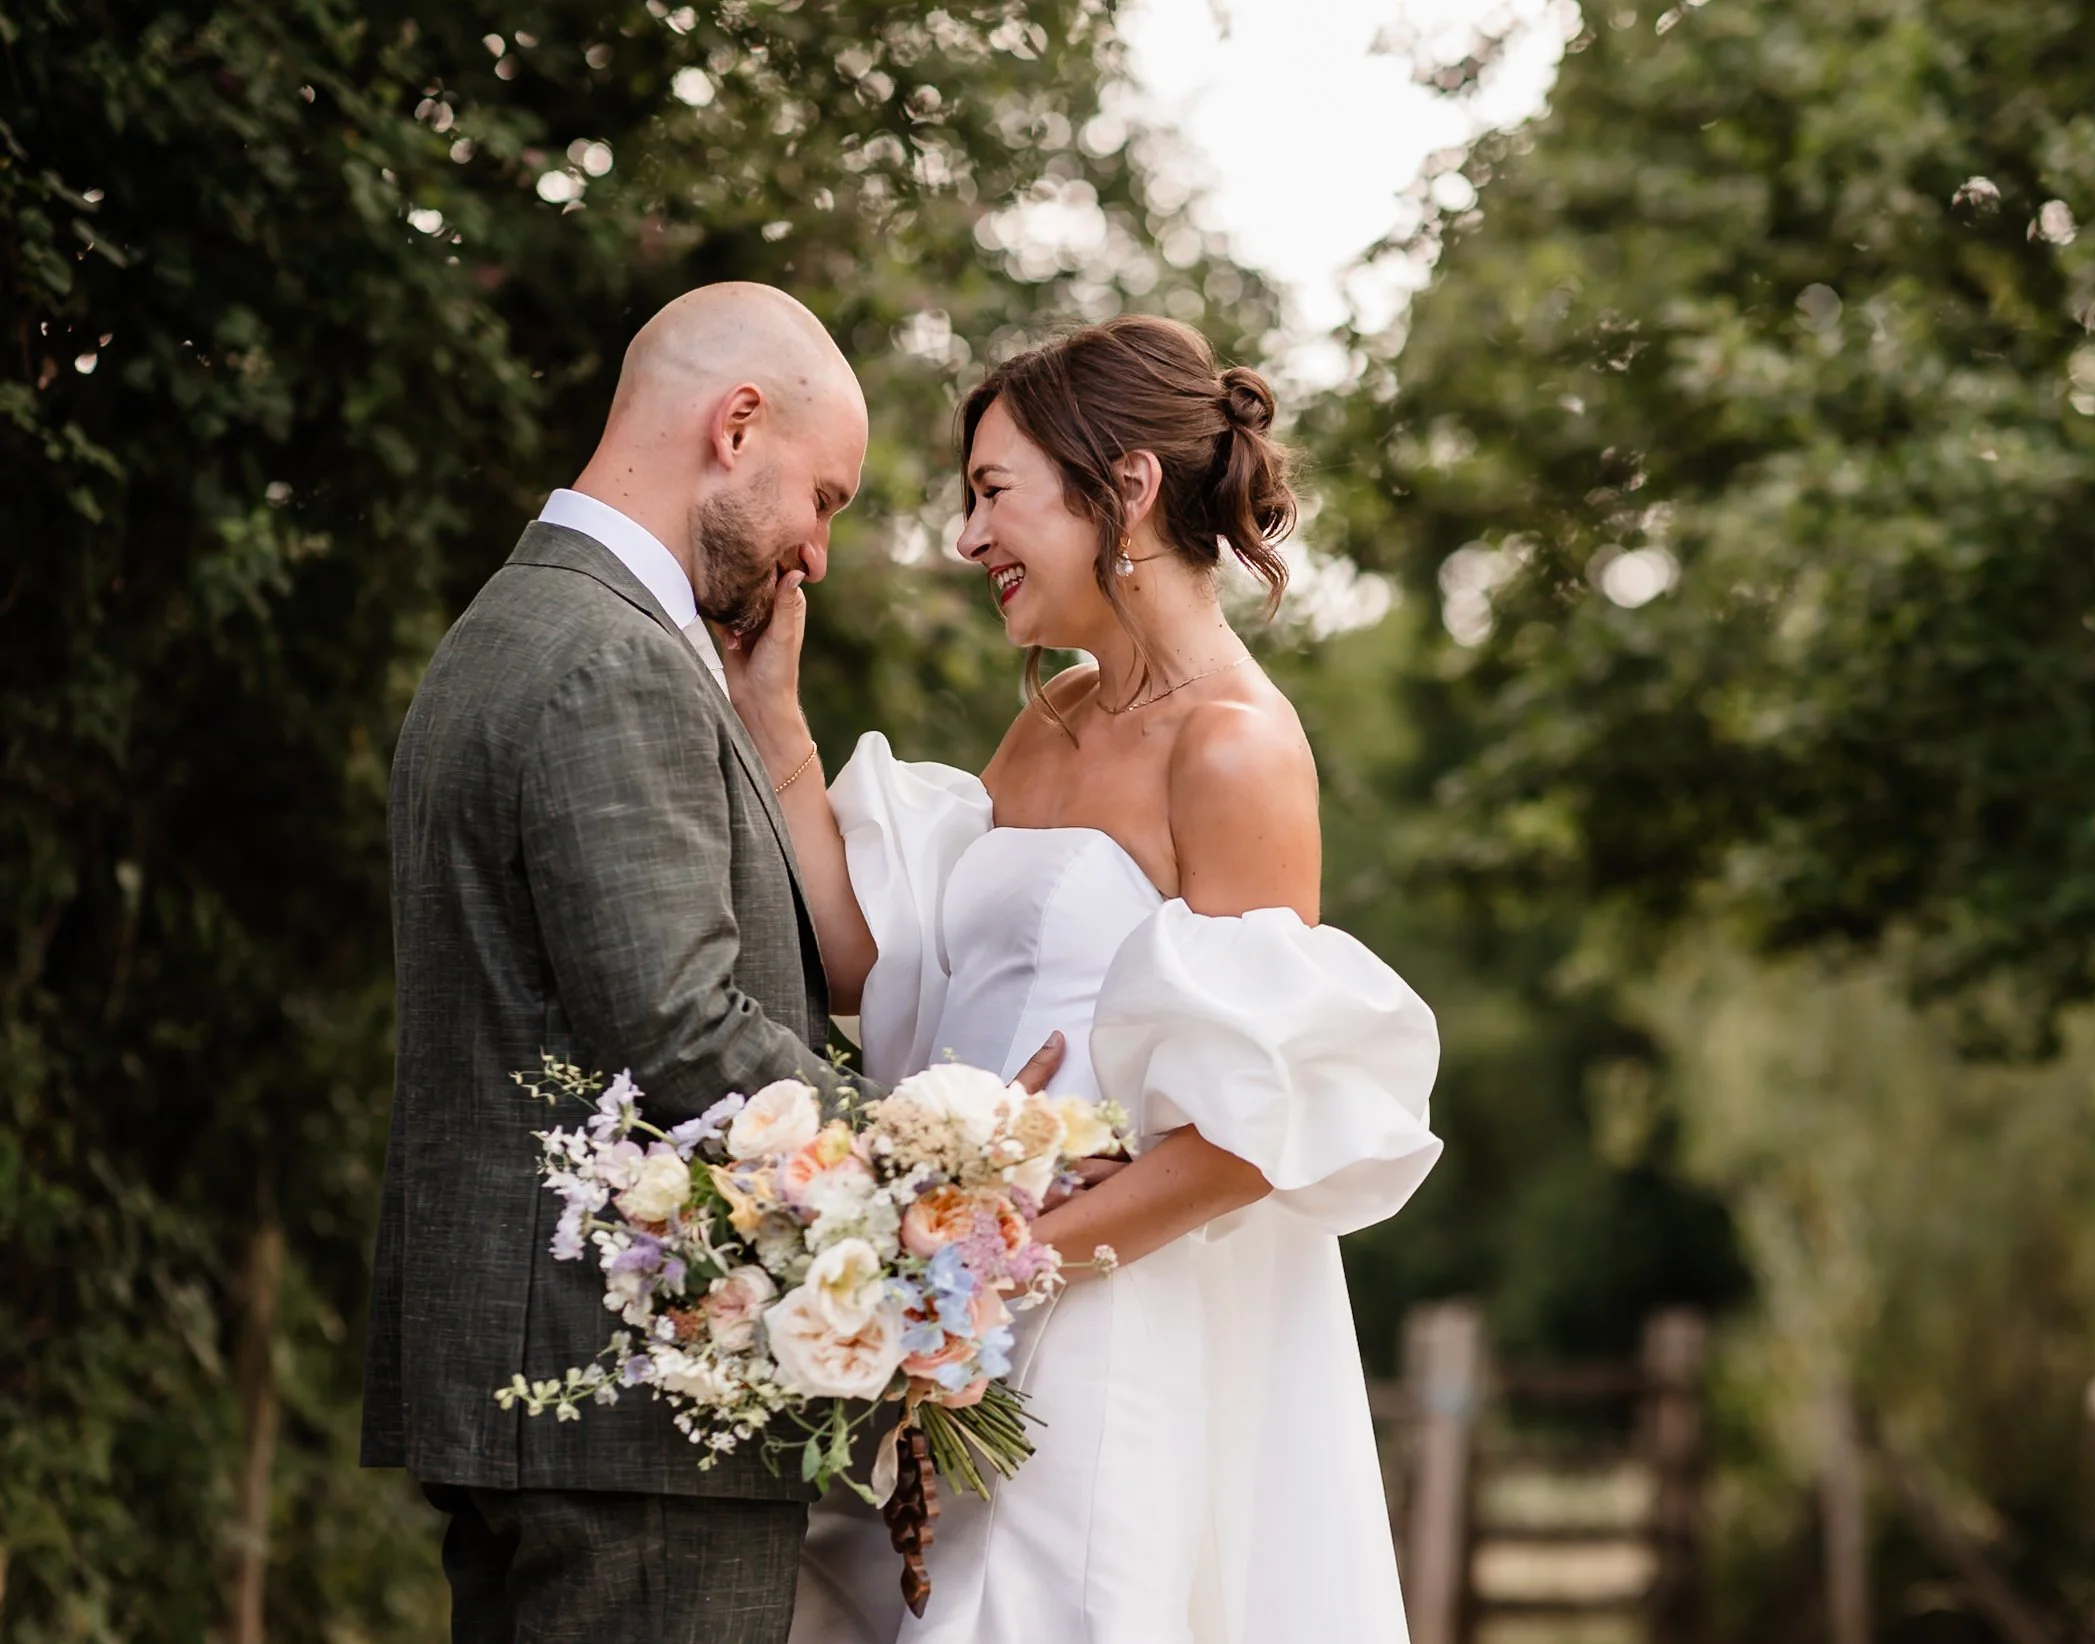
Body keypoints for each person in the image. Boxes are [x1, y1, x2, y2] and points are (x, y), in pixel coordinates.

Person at [364, 282, 1061, 1644]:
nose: (817, 553)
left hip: (543, 1391)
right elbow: (681, 1026)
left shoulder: (520, 625)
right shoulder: (610, 662)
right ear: (736, 427)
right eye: (825, 498)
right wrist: (949, 1159)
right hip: (626, 1411)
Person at [731, 314, 1444, 1644]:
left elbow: (1246, 1138)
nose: (968, 538)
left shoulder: (1235, 749)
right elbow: (876, 968)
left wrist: (984, 1271)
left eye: (993, 493)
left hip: (1105, 1333)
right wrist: (775, 720)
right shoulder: (1051, 718)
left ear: (1127, 486)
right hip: (971, 1328)